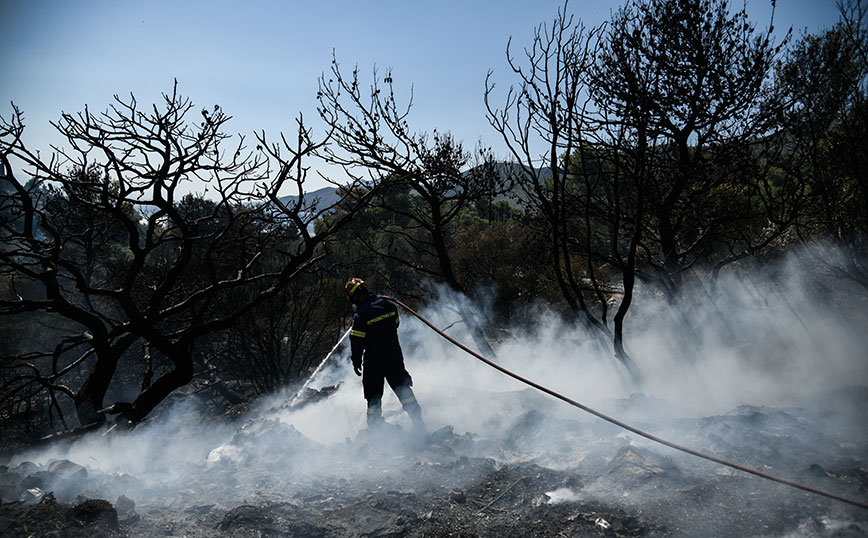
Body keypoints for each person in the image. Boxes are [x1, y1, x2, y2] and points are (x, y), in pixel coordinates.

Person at [345, 278, 424, 430]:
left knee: (373, 395)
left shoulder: (361, 315)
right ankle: (418, 422)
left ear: (356, 295)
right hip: (394, 356)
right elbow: (396, 324)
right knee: (403, 389)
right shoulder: (388, 305)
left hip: (374, 361)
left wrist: (356, 362)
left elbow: (357, 342)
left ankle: (375, 429)